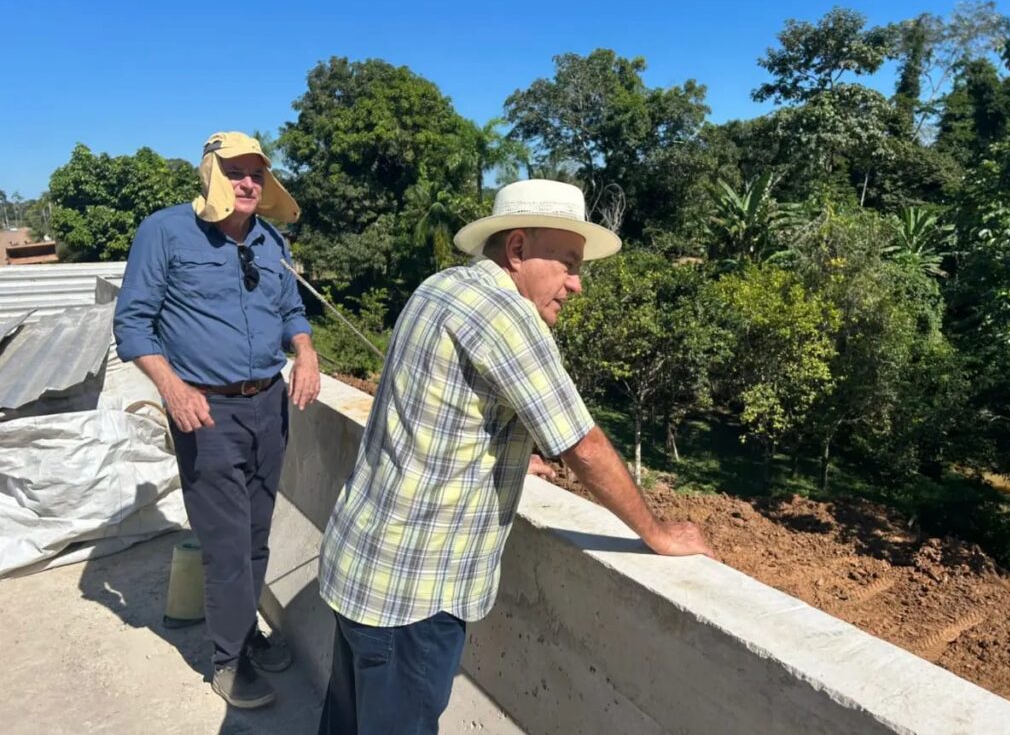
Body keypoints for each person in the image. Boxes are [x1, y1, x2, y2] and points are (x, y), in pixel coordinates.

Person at [317, 178, 715, 733]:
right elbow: (583, 444)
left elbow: (426, 410)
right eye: (569, 263)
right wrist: (658, 532)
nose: (577, 285)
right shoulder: (507, 314)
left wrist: (501, 450)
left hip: (362, 563)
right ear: (519, 249)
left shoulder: (440, 288)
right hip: (415, 593)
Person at [114, 131, 320, 709]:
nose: (248, 182)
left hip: (268, 404)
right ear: (211, 175)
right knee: (226, 543)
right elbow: (133, 324)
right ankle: (227, 661)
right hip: (205, 409)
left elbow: (290, 310)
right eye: (236, 172)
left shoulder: (270, 237)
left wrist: (304, 351)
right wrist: (172, 387)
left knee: (256, 535)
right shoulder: (165, 231)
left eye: (257, 173)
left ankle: (246, 632)